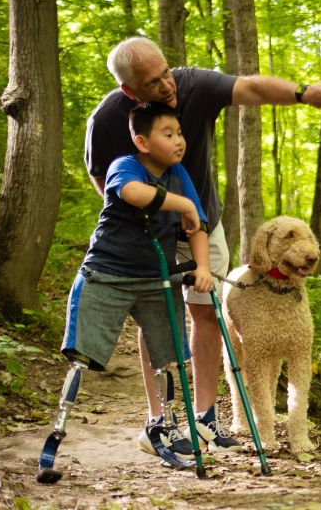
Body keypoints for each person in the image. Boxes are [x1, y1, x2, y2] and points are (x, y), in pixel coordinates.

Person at [84, 36, 321, 456]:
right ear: (129, 91)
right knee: (160, 314)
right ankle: (161, 420)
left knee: (207, 312)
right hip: (146, 231)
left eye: (166, 72)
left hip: (202, 221)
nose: (167, 85)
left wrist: (304, 94)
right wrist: (136, 220)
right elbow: (103, 180)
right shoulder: (106, 120)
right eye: (153, 83)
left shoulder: (191, 84)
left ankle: (205, 419)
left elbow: (250, 88)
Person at [52, 102, 216, 465]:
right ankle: (58, 431)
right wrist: (184, 206)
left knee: (168, 358)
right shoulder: (124, 165)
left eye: (180, 133)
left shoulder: (180, 175)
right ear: (142, 142)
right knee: (82, 355)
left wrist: (202, 265)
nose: (179, 141)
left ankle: (163, 425)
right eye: (168, 134)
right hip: (107, 274)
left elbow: (198, 225)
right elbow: (133, 193)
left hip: (156, 279)